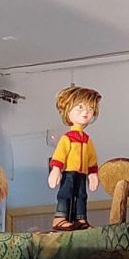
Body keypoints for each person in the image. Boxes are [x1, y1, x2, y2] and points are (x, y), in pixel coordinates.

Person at [48, 85, 101, 231]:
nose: (86, 112)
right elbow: (59, 154)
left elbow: (91, 159)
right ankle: (60, 217)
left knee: (82, 195)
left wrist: (93, 174)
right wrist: (56, 170)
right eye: (80, 107)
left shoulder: (87, 140)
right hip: (69, 172)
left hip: (82, 173)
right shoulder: (67, 138)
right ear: (67, 109)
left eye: (90, 109)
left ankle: (80, 218)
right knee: (65, 194)